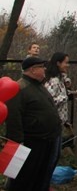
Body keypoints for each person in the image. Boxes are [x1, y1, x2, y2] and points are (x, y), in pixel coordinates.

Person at [5, 57, 62, 191]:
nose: (45, 69)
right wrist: (17, 142)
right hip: (31, 142)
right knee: (25, 178)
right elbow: (14, 117)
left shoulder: (39, 86)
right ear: (33, 70)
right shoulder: (20, 88)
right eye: (42, 66)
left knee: (42, 177)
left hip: (47, 140)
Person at [44, 52, 74, 173]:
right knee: (51, 157)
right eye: (66, 62)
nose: (68, 65)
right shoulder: (53, 81)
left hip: (59, 123)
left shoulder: (61, 79)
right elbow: (49, 100)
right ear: (58, 63)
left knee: (55, 156)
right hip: (51, 124)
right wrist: (65, 97)